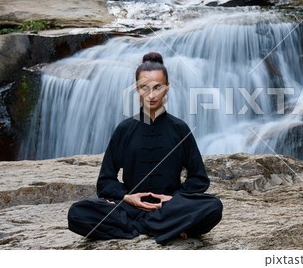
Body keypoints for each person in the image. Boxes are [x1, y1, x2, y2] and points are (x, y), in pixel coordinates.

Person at [67, 52, 223, 245]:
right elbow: (105, 181)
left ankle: (141, 227)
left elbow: (198, 179)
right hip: (129, 209)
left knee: (214, 206)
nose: (151, 95)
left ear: (167, 88)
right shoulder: (124, 129)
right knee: (77, 213)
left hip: (169, 208)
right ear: (136, 88)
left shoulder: (179, 129)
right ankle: (164, 227)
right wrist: (127, 198)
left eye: (158, 87)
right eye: (144, 88)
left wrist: (173, 199)